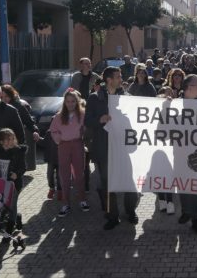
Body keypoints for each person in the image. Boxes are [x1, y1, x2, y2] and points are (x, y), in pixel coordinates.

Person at [85, 67, 140, 230]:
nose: (121, 79)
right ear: (109, 79)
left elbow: (137, 118)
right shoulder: (95, 98)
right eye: (118, 76)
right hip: (104, 148)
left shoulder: (126, 97)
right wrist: (100, 119)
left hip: (123, 147)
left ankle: (131, 212)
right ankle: (112, 215)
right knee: (108, 184)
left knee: (129, 182)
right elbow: (87, 121)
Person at [49, 89, 89, 217]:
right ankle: (66, 203)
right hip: (64, 146)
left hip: (77, 144)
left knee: (79, 174)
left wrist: (85, 138)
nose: (70, 104)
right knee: (64, 175)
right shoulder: (59, 116)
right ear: (64, 102)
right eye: (68, 101)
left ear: (77, 102)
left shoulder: (83, 114)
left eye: (73, 101)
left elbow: (87, 128)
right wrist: (58, 138)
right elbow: (53, 130)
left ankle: (82, 200)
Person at [177, 74, 197, 233]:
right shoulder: (175, 105)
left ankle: (196, 218)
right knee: (184, 185)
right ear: (189, 88)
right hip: (181, 153)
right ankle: (186, 211)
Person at [0, 128, 27, 192]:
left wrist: (16, 174)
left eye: (13, 139)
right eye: (8, 139)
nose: (11, 141)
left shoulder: (18, 152)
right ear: (1, 141)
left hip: (13, 184)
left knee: (11, 201)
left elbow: (23, 167)